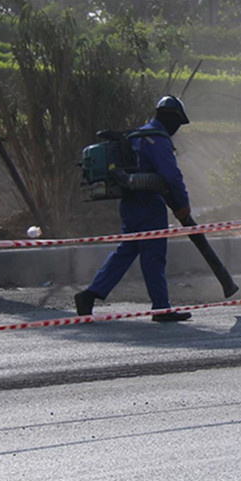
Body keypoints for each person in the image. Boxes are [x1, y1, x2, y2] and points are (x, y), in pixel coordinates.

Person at [75, 95, 195, 322]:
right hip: (149, 204)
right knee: (154, 255)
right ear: (173, 118)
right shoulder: (157, 139)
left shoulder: (139, 135)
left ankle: (89, 295)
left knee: (127, 251)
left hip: (130, 203)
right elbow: (171, 175)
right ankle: (161, 307)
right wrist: (183, 204)